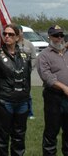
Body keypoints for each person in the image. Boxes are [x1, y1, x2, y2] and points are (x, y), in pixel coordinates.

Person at [0, 23, 32, 156]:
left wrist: (27, 98)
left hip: (22, 102)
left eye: (10, 34)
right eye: (5, 34)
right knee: (2, 138)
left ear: (17, 37)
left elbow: (27, 78)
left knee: (19, 136)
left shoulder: (25, 57)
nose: (7, 36)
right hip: (5, 101)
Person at [37, 24, 68, 155]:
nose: (59, 38)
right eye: (56, 36)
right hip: (54, 97)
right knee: (51, 131)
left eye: (61, 35)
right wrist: (64, 88)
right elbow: (47, 77)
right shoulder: (44, 55)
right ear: (49, 36)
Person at [17, 25, 37, 119]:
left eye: (19, 31)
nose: (17, 33)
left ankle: (30, 113)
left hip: (26, 74)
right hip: (14, 74)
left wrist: (30, 68)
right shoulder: (12, 44)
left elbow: (33, 57)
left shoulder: (28, 44)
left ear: (22, 32)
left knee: (27, 93)